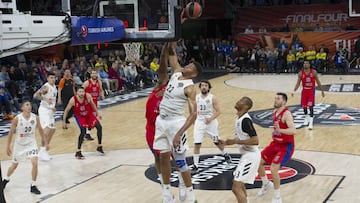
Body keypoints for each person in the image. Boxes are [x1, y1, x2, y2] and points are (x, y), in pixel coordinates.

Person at [153, 41, 203, 203]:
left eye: (190, 68)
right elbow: (171, 51)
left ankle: (190, 194)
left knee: (180, 161)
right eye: (188, 64)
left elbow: (193, 114)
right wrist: (172, 35)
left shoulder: (190, 88)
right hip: (161, 121)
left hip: (176, 124)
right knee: (162, 157)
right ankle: (167, 194)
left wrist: (179, 133)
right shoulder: (176, 72)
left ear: (194, 74)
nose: (187, 66)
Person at [145, 43, 186, 201]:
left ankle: (182, 183)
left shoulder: (179, 90)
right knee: (158, 158)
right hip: (151, 128)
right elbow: (163, 63)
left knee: (176, 157)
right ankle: (166, 191)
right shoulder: (162, 84)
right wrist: (166, 45)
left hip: (168, 126)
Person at [219, 96, 260, 203]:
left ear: (246, 107)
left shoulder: (245, 120)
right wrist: (228, 142)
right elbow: (243, 137)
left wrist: (236, 142)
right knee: (239, 185)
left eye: (241, 101)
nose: (238, 101)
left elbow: (255, 140)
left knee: (236, 187)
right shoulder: (239, 119)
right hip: (246, 155)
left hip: (251, 156)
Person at [3, 100, 49, 194]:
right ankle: (6, 179)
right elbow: (11, 132)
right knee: (14, 165)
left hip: (31, 144)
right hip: (19, 145)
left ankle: (33, 185)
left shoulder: (35, 118)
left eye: (30, 105)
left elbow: (40, 130)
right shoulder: (17, 118)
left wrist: (46, 142)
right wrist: (8, 146)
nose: (29, 106)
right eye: (27, 105)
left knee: (35, 163)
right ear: (22, 107)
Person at [257, 92, 296, 203]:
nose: (275, 100)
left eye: (278, 99)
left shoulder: (286, 114)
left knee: (274, 169)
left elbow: (293, 131)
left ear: (284, 101)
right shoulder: (275, 112)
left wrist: (280, 131)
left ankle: (277, 196)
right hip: (275, 143)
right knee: (257, 161)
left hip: (286, 146)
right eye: (275, 98)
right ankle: (265, 183)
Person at [192, 80, 231, 173]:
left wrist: (210, 118)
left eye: (206, 85)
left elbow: (218, 111)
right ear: (200, 87)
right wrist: (194, 121)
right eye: (202, 85)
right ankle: (195, 165)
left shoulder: (212, 98)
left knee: (217, 141)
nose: (204, 87)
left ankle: (225, 154)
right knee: (197, 143)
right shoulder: (196, 97)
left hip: (211, 122)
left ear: (209, 87)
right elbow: (194, 111)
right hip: (200, 122)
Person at [62, 86, 104, 159]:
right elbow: (66, 110)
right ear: (77, 92)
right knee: (83, 131)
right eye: (80, 92)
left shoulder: (87, 96)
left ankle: (99, 147)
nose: (82, 93)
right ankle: (78, 151)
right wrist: (64, 121)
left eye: (83, 92)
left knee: (99, 127)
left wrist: (98, 113)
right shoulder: (73, 100)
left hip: (89, 114)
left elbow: (93, 105)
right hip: (80, 116)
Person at [292, 60, 325, 130]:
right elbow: (298, 83)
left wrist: (322, 90)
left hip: (311, 91)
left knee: (310, 106)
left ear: (309, 65)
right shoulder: (300, 73)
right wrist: (294, 90)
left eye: (307, 63)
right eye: (304, 63)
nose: (305, 64)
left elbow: (318, 82)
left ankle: (311, 123)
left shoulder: (313, 72)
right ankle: (306, 118)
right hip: (304, 91)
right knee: (304, 107)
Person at [33, 72, 58, 161]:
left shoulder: (54, 87)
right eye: (51, 77)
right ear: (47, 78)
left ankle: (44, 151)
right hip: (44, 110)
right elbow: (35, 95)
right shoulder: (46, 87)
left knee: (52, 129)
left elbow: (52, 99)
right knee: (47, 129)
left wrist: (52, 107)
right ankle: (42, 150)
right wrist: (45, 99)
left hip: (50, 110)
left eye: (54, 78)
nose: (53, 79)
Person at [82, 69, 105, 140]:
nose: (94, 75)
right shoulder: (87, 82)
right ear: (91, 75)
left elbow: (101, 90)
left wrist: (102, 95)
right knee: (89, 118)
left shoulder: (99, 82)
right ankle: (84, 133)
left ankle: (87, 133)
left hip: (95, 102)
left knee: (92, 119)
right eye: (93, 73)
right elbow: (80, 91)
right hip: (87, 103)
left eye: (95, 73)